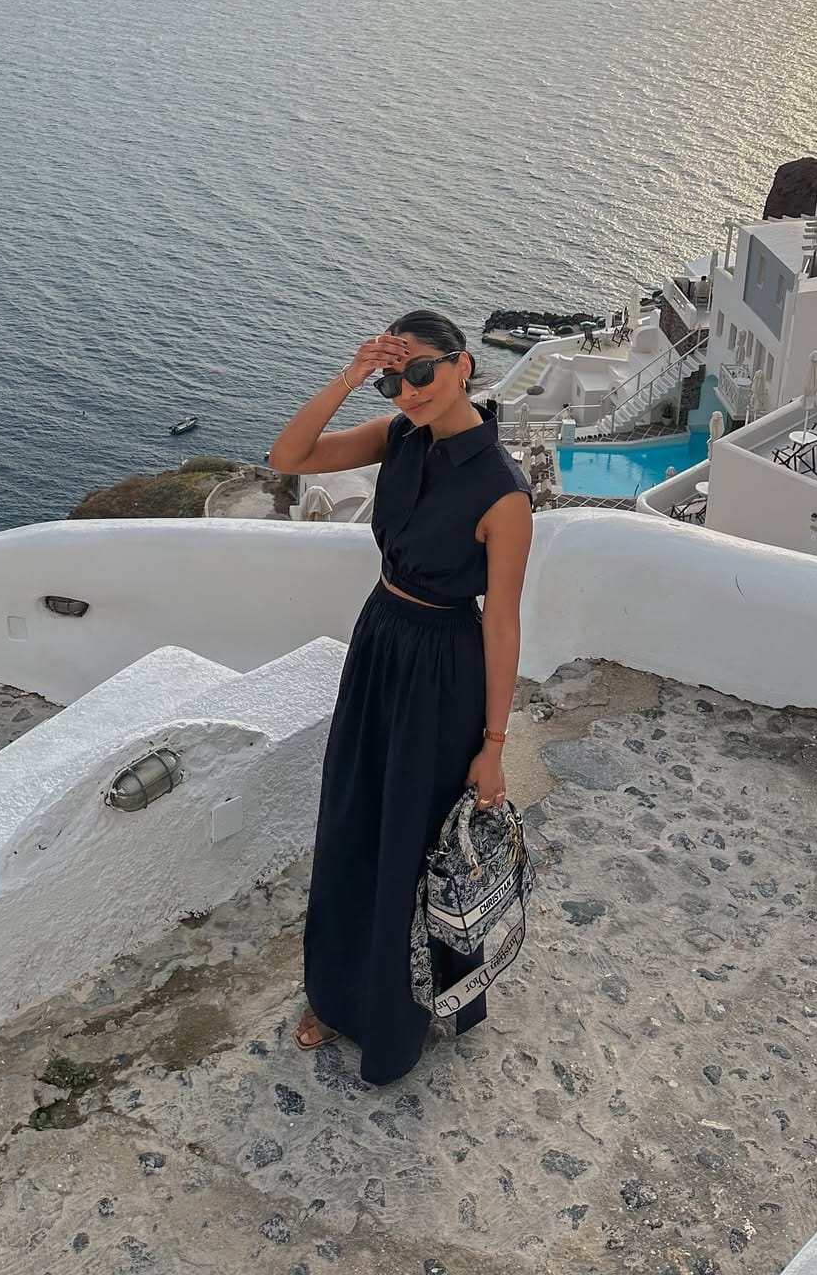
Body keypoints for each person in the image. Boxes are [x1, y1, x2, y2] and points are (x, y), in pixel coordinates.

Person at [269, 310, 533, 1085]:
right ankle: (340, 995)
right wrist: (354, 376)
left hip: (442, 669)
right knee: (352, 822)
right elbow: (287, 455)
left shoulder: (504, 495)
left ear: (463, 367)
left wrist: (492, 749)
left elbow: (504, 629)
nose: (408, 389)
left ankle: (401, 1018)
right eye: (396, 375)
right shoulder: (395, 437)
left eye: (422, 371)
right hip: (380, 640)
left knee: (415, 852)